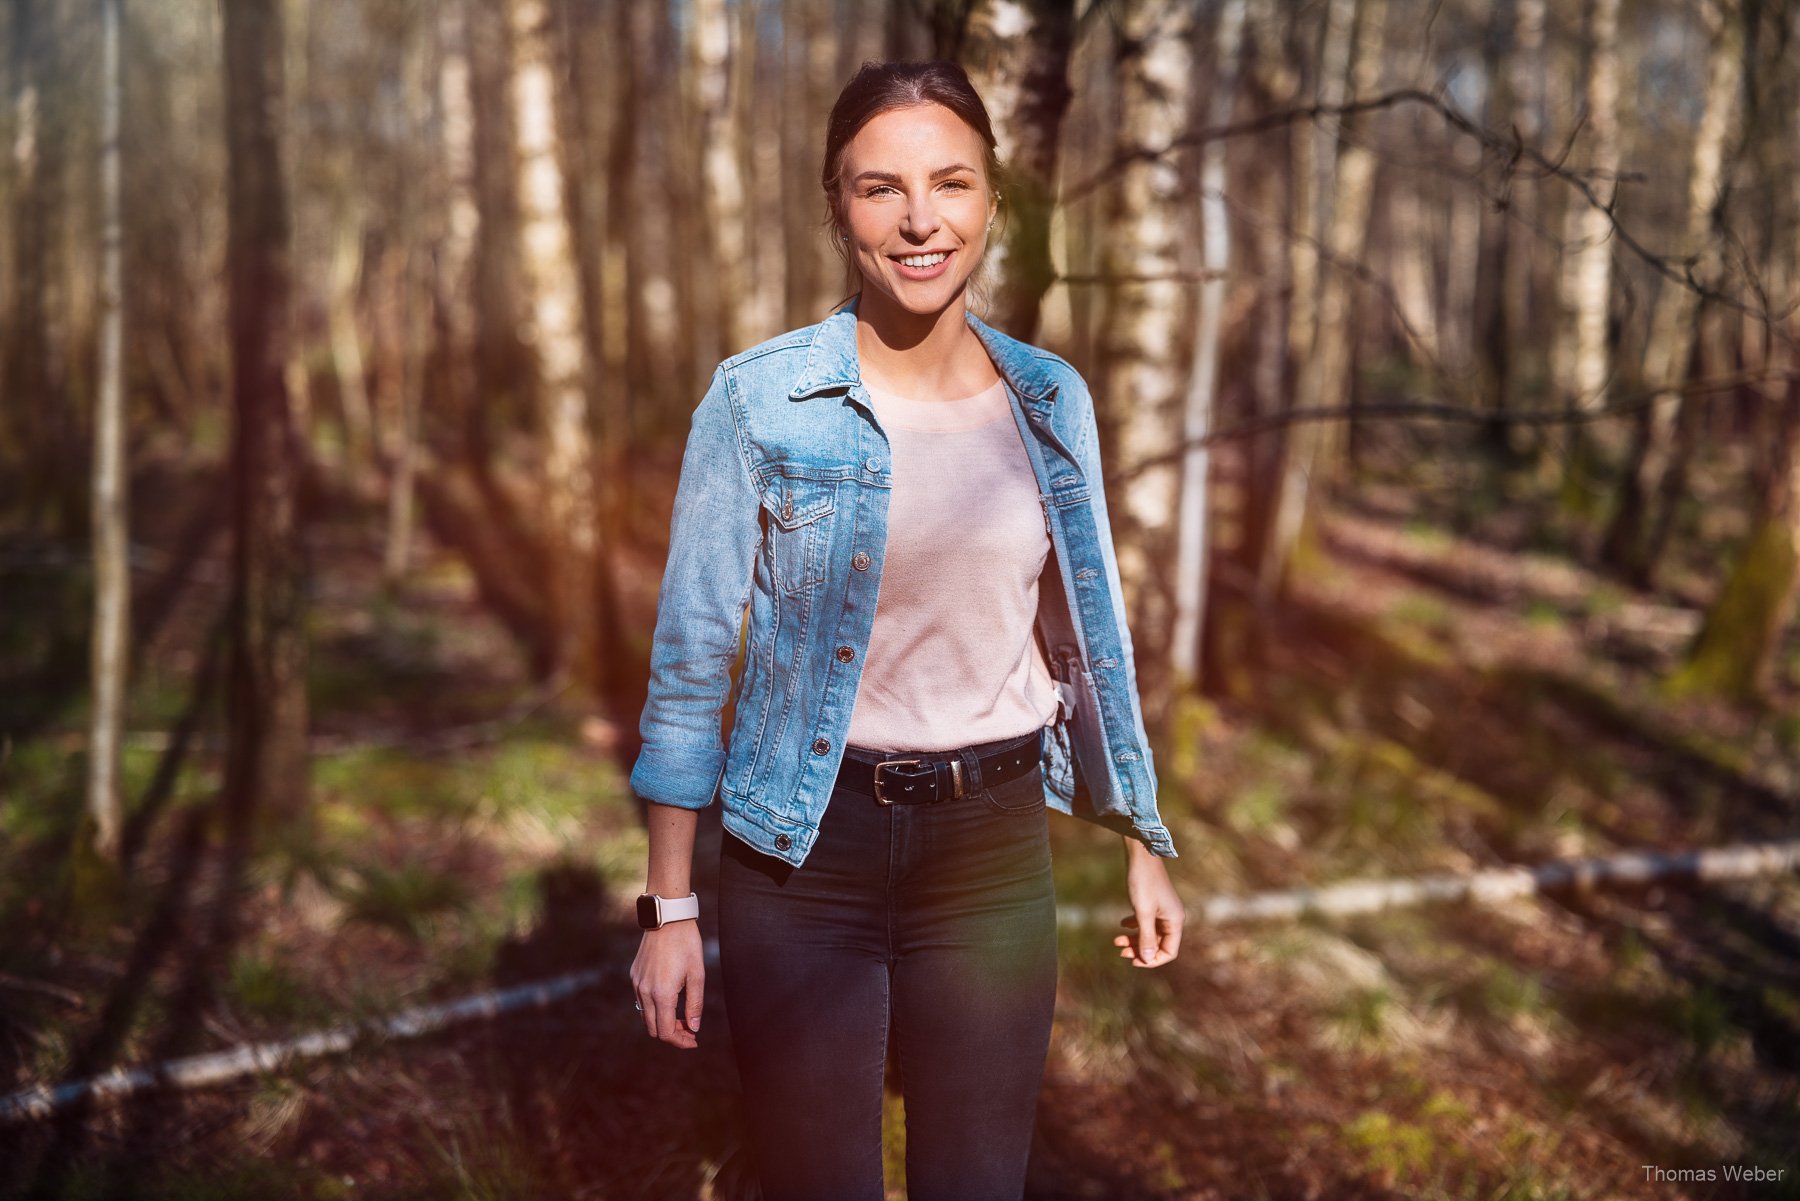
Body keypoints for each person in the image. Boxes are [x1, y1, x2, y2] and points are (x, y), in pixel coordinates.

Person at [629, 59, 1183, 1201]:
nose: (921, 219)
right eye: (881, 188)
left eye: (952, 183)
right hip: (800, 857)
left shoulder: (1050, 401)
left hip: (989, 854)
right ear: (838, 209)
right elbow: (689, 665)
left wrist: (1140, 832)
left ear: (992, 204)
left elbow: (1089, 636)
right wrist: (669, 909)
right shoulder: (758, 399)